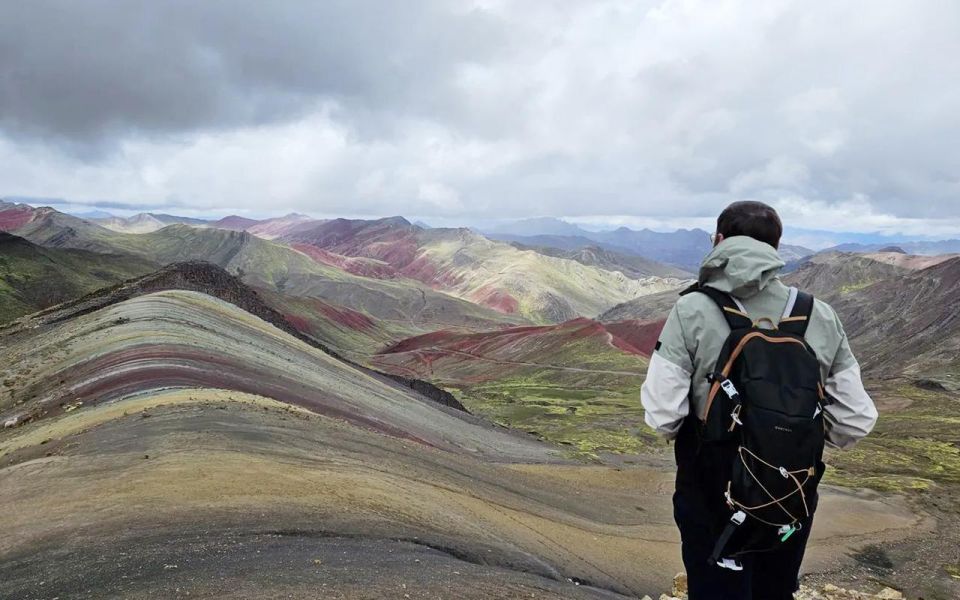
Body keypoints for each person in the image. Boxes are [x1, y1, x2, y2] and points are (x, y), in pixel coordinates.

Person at [640, 201, 878, 599]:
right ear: (776, 248)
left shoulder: (692, 308)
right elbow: (855, 419)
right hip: (791, 491)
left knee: (717, 588)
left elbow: (663, 414)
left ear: (718, 241)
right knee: (775, 589)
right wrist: (786, 436)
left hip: (709, 489)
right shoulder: (819, 315)